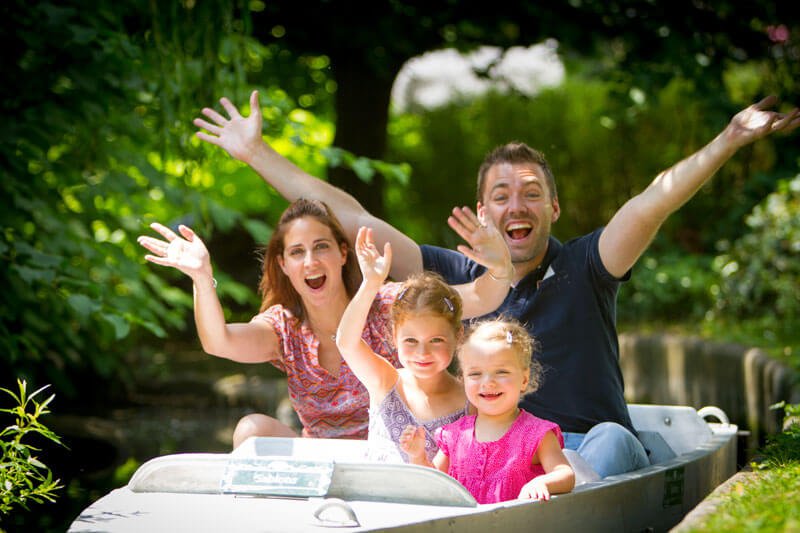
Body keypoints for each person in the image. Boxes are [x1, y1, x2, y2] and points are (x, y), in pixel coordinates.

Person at [194, 91, 799, 474]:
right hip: (488, 464)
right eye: (502, 195)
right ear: (481, 213)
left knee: (613, 438)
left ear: (553, 209)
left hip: (586, 455)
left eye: (532, 194)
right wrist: (256, 154)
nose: (518, 205)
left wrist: (730, 139)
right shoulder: (451, 275)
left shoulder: (589, 263)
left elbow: (652, 202)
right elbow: (351, 218)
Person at [138, 198, 511, 449]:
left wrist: (500, 266)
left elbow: (483, 297)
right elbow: (218, 343)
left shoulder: (385, 302)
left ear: (342, 253)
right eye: (297, 252)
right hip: (322, 465)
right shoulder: (282, 328)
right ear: (283, 265)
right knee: (252, 429)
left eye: (321, 247)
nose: (311, 261)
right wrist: (203, 278)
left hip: (398, 456)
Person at [336, 226, 494, 462]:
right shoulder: (386, 381)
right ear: (394, 336)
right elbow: (346, 343)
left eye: (436, 340)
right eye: (411, 340)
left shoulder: (469, 399)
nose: (423, 353)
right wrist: (371, 283)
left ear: (458, 336)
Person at [399, 318, 575, 504]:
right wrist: (417, 456)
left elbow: (565, 474)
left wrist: (543, 483)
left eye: (501, 372)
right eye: (475, 374)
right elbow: (433, 485)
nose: (488, 382)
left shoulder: (536, 434)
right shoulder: (455, 435)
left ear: (524, 379)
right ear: (463, 379)